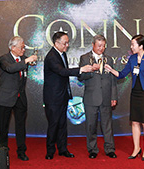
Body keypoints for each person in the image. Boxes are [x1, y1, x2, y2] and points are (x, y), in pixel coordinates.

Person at [105, 34, 144, 160]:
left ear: (141, 46)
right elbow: (122, 74)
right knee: (135, 122)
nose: (131, 47)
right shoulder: (132, 59)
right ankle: (136, 148)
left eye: (133, 45)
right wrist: (111, 69)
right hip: (135, 93)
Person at [43, 31, 94, 160]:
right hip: (53, 98)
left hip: (62, 95)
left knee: (62, 124)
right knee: (53, 124)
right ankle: (50, 151)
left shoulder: (62, 54)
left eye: (67, 42)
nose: (67, 45)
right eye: (65, 43)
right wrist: (81, 69)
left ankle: (63, 149)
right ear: (56, 43)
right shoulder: (51, 57)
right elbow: (62, 71)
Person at [0, 36, 38, 161]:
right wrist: (25, 62)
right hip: (5, 98)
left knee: (21, 127)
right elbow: (10, 69)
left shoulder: (24, 59)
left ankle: (21, 151)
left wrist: (28, 61)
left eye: (24, 47)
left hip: (20, 98)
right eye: (21, 47)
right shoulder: (4, 59)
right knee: (3, 128)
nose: (23, 50)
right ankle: (2, 153)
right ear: (12, 48)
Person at [78, 35, 118, 159]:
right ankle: (92, 149)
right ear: (93, 45)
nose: (102, 48)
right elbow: (80, 77)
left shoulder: (109, 59)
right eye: (99, 45)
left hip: (106, 97)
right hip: (91, 97)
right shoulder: (85, 58)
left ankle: (110, 149)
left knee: (107, 125)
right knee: (91, 125)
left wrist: (113, 96)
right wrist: (90, 70)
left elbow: (112, 80)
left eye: (104, 45)